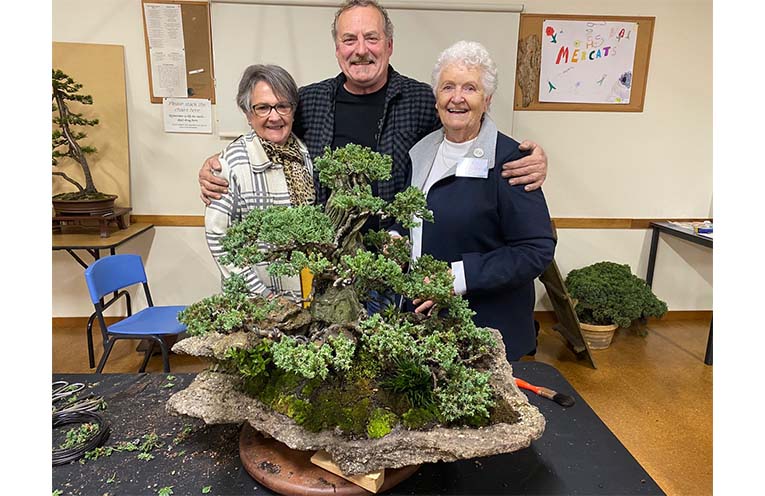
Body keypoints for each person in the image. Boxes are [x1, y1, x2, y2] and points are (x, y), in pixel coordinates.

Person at [197, 0, 549, 212]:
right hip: (326, 259)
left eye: (371, 38)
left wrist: (522, 156)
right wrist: (219, 163)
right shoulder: (309, 101)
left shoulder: (422, 100)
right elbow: (268, 131)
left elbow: (468, 129)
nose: (361, 50)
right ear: (338, 49)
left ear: (389, 45)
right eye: (349, 39)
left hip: (396, 257)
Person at [404, 41, 556, 361]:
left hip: (486, 331)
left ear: (486, 100)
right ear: (436, 98)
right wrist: (396, 234)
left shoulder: (511, 161)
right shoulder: (421, 152)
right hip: (428, 327)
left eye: (470, 88)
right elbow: (413, 215)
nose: (457, 97)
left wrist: (459, 277)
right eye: (448, 87)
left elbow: (535, 249)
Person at [205, 64, 315, 300]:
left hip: (307, 296)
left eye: (282, 106)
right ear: (248, 114)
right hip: (257, 303)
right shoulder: (231, 164)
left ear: (293, 110)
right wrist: (263, 295)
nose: (274, 117)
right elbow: (219, 238)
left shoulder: (306, 155)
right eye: (263, 108)